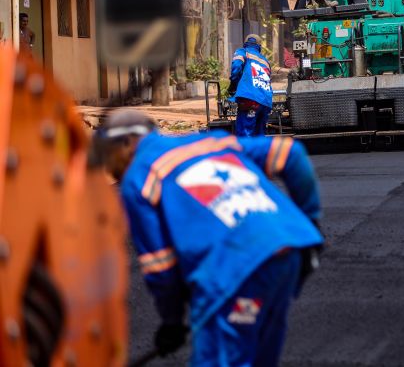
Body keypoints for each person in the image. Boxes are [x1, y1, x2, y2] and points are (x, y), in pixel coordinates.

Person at [99, 109, 323, 366]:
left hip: (235, 270)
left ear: (125, 143)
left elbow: (160, 265)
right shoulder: (212, 141)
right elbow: (290, 154)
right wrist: (311, 221)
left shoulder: (138, 178)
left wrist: (172, 321)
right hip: (289, 252)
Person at [230, 34, 273, 137]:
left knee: (245, 133)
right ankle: (259, 152)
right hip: (265, 102)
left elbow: (236, 67)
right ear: (259, 47)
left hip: (250, 100)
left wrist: (233, 85)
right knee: (259, 135)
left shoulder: (242, 52)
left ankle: (245, 152)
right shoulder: (265, 61)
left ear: (245, 44)